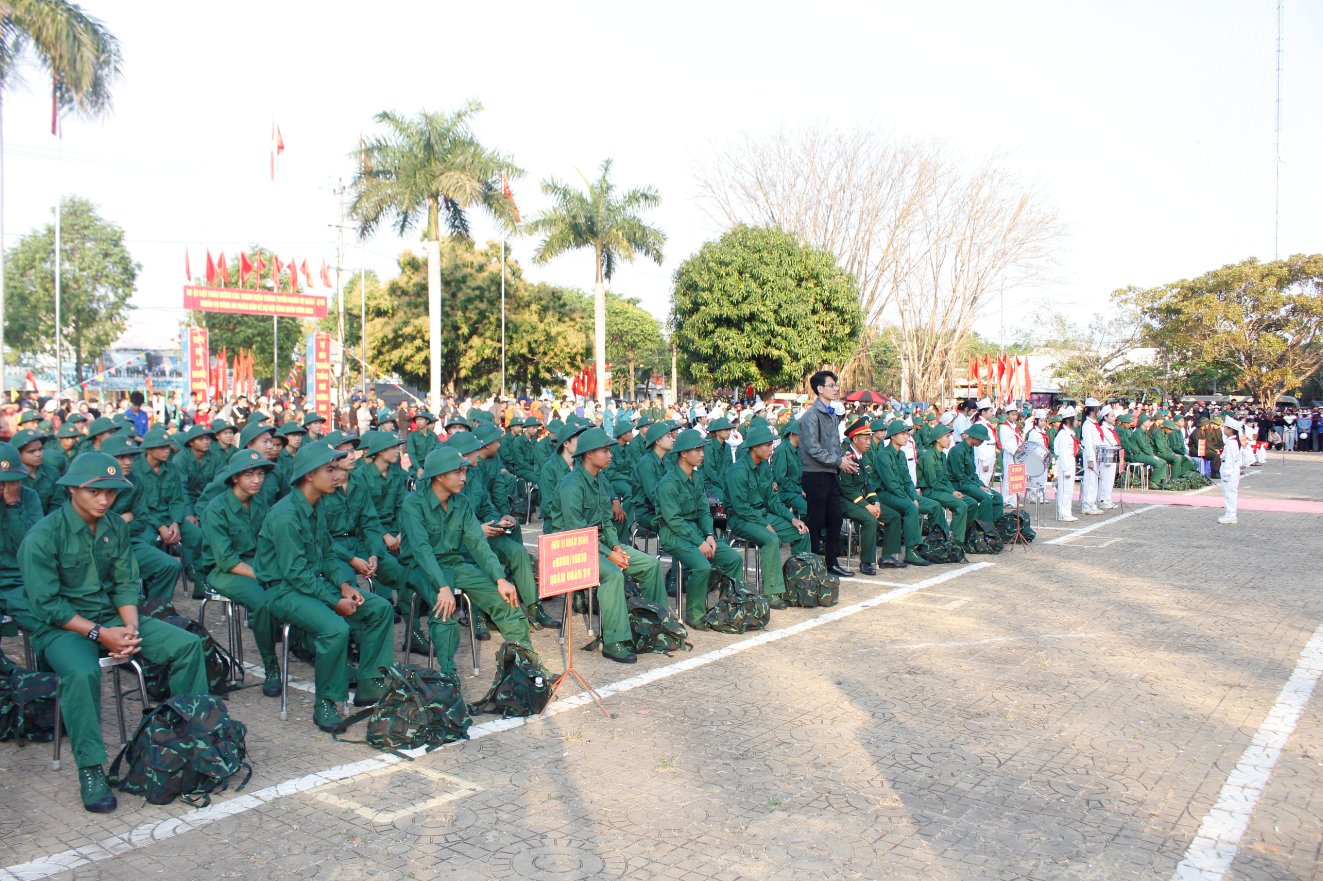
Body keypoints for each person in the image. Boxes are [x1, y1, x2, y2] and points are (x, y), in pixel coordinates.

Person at [20, 452, 208, 813]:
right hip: (65, 628)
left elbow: (125, 583)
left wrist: (131, 630)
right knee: (82, 672)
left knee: (186, 644)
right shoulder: (43, 536)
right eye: (95, 492)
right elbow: (48, 607)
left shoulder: (115, 526)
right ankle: (90, 769)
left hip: (112, 617)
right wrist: (101, 635)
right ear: (73, 488)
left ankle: (192, 742)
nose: (105, 500)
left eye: (111, 493)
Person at [255, 441, 395, 732]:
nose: (336, 475)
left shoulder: (317, 506)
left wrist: (344, 586)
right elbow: (294, 573)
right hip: (284, 590)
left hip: (311, 584)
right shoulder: (285, 515)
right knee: (336, 628)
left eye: (335, 469)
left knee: (380, 608)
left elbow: (328, 554)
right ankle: (326, 703)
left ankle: (370, 683)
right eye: (329, 470)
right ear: (308, 475)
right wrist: (333, 602)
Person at [559, 427, 667, 663]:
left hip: (599, 544)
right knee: (612, 575)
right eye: (605, 451)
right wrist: (609, 555)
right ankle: (613, 641)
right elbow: (577, 533)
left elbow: (606, 521)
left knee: (650, 565)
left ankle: (655, 624)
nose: (610, 455)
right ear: (588, 454)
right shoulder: (572, 485)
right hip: (573, 548)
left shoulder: (599, 480)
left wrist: (616, 547)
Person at [199, 449, 284, 697]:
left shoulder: (260, 502)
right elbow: (226, 560)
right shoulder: (215, 510)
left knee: (293, 587)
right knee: (262, 602)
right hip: (224, 570)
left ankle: (302, 645)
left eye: (260, 474)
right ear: (235, 477)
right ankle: (271, 666)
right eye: (249, 475)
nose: (257, 480)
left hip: (257, 564)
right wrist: (264, 576)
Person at [658, 429, 744, 628]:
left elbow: (705, 512)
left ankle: (731, 606)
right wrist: (700, 543)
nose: (702, 453)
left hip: (696, 532)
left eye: (702, 449)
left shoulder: (697, 479)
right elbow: (674, 521)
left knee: (734, 559)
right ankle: (695, 614)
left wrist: (709, 535)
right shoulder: (668, 483)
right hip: (673, 535)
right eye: (697, 449)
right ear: (683, 453)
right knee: (702, 566)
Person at [726, 424, 811, 601]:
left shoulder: (764, 466)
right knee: (771, 540)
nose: (771, 449)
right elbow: (741, 508)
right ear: (754, 446)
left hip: (761, 515)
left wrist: (792, 518)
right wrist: (765, 524)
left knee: (801, 533)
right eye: (767, 445)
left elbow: (772, 500)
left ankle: (799, 585)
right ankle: (773, 592)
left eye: (771, 444)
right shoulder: (738, 471)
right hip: (742, 519)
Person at [798, 370, 854, 578]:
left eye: (836, 385)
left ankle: (831, 563)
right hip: (815, 475)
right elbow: (813, 449)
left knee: (836, 518)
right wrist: (838, 461)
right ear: (820, 389)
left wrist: (843, 459)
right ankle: (812, 565)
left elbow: (834, 445)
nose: (836, 389)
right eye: (831, 385)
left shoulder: (831, 414)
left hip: (829, 474)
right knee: (815, 521)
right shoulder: (811, 416)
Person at [0, 442, 44, 667]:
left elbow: (30, 544)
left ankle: (45, 686)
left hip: (21, 581)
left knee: (45, 624)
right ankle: (9, 677)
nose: (4, 487)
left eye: (9, 482)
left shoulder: (28, 497)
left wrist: (13, 505)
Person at [838, 419, 902, 574]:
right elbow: (846, 489)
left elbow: (869, 485)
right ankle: (866, 561)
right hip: (847, 502)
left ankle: (886, 556)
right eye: (866, 439)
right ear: (855, 439)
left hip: (863, 501)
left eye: (869, 438)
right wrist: (868, 506)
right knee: (870, 519)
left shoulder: (864, 458)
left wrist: (876, 502)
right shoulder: (847, 458)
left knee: (893, 516)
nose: (869, 442)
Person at [876, 420, 940, 567]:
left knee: (934, 505)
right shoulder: (883, 455)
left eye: (907, 433)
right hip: (884, 495)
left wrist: (913, 497)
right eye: (902, 434)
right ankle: (911, 552)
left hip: (900, 494)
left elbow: (907, 481)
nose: (906, 436)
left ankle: (937, 545)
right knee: (911, 508)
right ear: (892, 436)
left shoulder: (901, 455)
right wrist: (910, 500)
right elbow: (891, 484)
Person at [917, 424, 972, 543]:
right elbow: (933, 483)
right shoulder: (929, 457)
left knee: (970, 502)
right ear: (938, 439)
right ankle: (954, 541)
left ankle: (964, 537)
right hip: (931, 491)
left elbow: (946, 478)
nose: (949, 440)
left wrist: (953, 491)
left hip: (941, 490)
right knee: (961, 505)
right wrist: (951, 492)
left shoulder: (942, 455)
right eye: (947, 437)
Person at [947, 423, 1005, 523]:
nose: (982, 442)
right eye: (981, 439)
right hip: (958, 484)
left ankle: (995, 527)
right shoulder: (957, 450)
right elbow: (960, 476)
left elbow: (972, 473)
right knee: (986, 498)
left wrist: (981, 485)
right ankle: (983, 529)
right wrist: (978, 487)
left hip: (969, 483)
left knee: (997, 497)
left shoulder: (970, 449)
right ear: (973, 437)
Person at [12, 428, 60, 515]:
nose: (38, 454)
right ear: (18, 453)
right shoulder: (12, 477)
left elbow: (57, 505)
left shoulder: (52, 473)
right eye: (31, 451)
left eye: (40, 449)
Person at [770, 418, 807, 519]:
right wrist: (800, 491)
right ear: (793, 434)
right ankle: (805, 533)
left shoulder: (801, 450)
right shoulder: (782, 451)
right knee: (806, 509)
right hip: (787, 491)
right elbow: (781, 478)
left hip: (800, 489)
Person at [1053, 408, 1079, 521]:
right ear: (1069, 421)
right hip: (1065, 462)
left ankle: (1067, 511)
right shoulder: (1063, 434)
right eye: (1075, 419)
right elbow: (1063, 453)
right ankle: (1063, 513)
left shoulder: (1070, 433)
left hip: (1070, 460)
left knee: (1069, 489)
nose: (1077, 422)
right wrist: (1066, 470)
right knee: (1064, 489)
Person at [1079, 399, 1104, 515]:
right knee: (1089, 480)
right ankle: (1086, 504)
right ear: (1094, 411)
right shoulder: (1087, 424)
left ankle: (1092, 503)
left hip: (1096, 453)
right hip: (1091, 453)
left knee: (1094, 480)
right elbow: (1088, 443)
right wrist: (1089, 459)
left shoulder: (1094, 424)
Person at [1219, 417, 1242, 524]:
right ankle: (1229, 513)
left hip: (1230, 469)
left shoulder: (1232, 443)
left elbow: (1230, 460)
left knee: (1229, 492)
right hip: (1230, 468)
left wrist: (1226, 473)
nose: (1224, 429)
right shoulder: (1231, 441)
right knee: (1228, 492)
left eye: (1225, 428)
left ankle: (1231, 514)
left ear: (1230, 430)